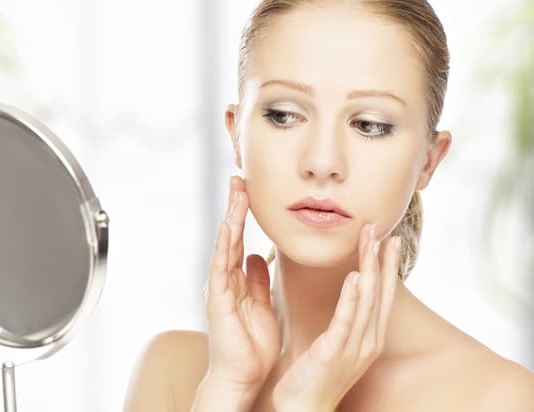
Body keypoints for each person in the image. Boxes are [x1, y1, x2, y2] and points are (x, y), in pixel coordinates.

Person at [124, 1, 534, 410]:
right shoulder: (173, 373)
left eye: (370, 125)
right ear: (236, 134)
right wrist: (227, 389)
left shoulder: (497, 398)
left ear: (429, 160)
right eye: (284, 115)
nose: (322, 162)